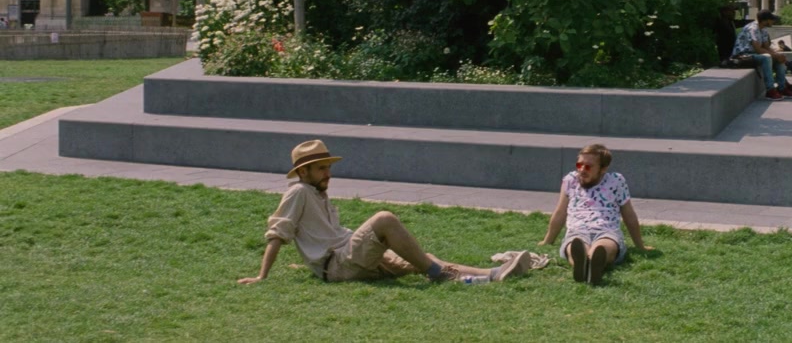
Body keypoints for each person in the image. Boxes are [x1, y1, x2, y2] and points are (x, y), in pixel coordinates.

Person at [239, 140, 531, 286]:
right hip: (340, 264)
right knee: (384, 219)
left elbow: (317, 236)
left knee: (422, 258)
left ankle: (492, 275)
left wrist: (308, 264)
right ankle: (439, 275)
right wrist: (262, 276)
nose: (328, 173)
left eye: (328, 167)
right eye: (321, 169)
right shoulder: (299, 192)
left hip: (347, 258)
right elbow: (278, 234)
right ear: (303, 172)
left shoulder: (316, 192)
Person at [539, 144, 651, 286]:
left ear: (603, 169)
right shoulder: (570, 180)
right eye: (579, 164)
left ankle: (593, 262)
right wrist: (547, 240)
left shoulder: (616, 181)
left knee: (604, 245)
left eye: (588, 166)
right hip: (577, 230)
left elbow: (629, 214)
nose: (582, 170)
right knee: (574, 245)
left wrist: (640, 245)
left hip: (607, 230)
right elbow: (560, 212)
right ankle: (583, 264)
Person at [731, 10, 792, 100]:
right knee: (767, 58)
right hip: (742, 56)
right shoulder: (753, 29)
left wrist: (778, 56)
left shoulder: (763, 29)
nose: (773, 21)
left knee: (778, 58)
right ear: (765, 20)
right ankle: (770, 90)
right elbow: (758, 49)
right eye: (771, 19)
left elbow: (767, 47)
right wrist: (775, 56)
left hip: (753, 54)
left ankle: (782, 87)